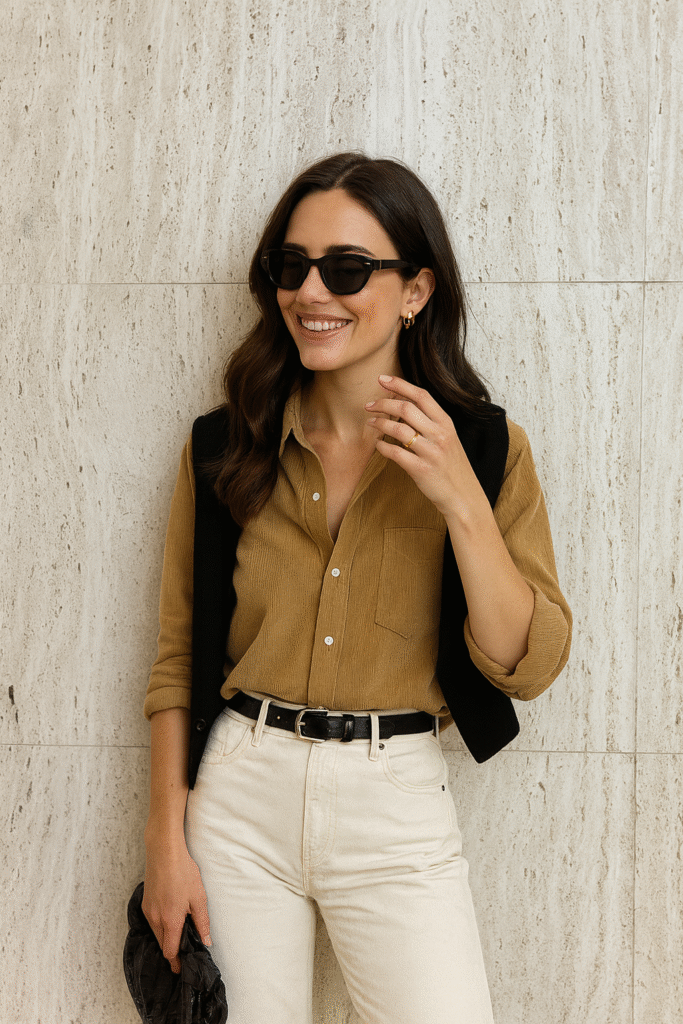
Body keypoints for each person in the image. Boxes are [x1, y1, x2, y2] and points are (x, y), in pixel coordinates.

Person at [141, 152, 572, 1024]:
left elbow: (525, 660)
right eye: (290, 267)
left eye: (345, 269)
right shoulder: (227, 445)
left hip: (395, 798)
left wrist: (456, 494)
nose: (311, 292)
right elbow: (179, 653)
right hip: (238, 799)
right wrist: (164, 837)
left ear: (414, 291)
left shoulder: (486, 450)